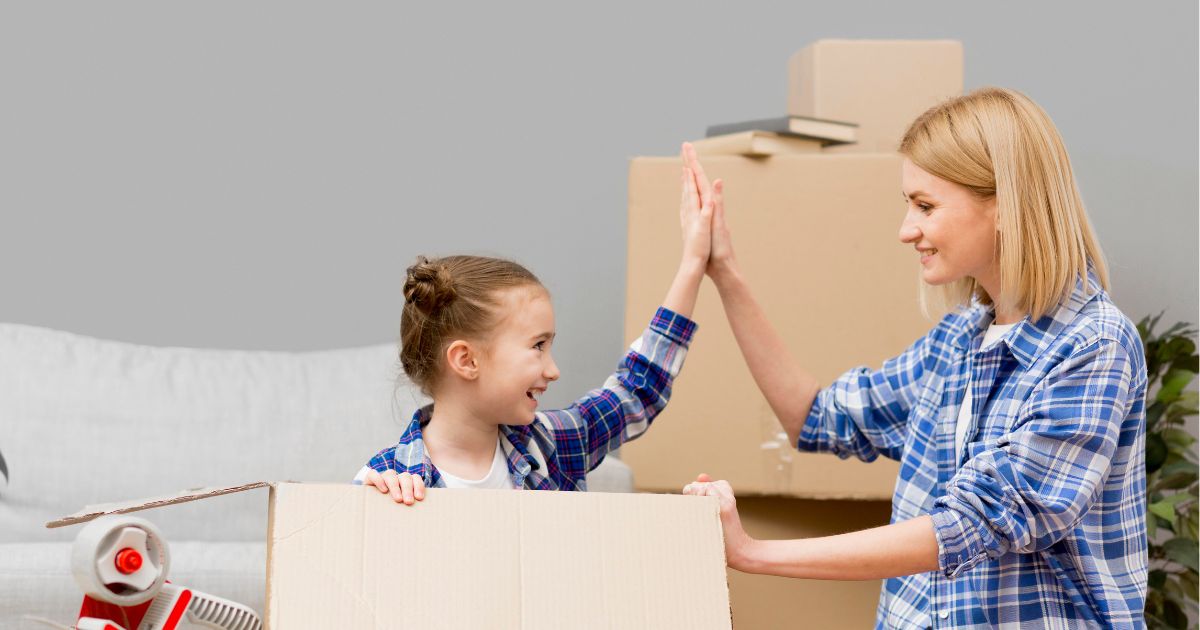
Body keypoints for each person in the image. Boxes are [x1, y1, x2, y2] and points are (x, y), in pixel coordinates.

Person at [681, 87, 1148, 628]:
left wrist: (753, 553)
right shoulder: (958, 341)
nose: (906, 230)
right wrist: (725, 271)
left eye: (925, 206)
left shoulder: (1092, 346)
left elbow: (970, 525)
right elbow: (814, 418)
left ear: (1004, 205)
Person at [354, 148, 713, 504]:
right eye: (537, 346)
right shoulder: (387, 480)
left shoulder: (550, 445)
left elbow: (636, 390)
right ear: (466, 360)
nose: (554, 370)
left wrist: (693, 263)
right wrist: (376, 510)